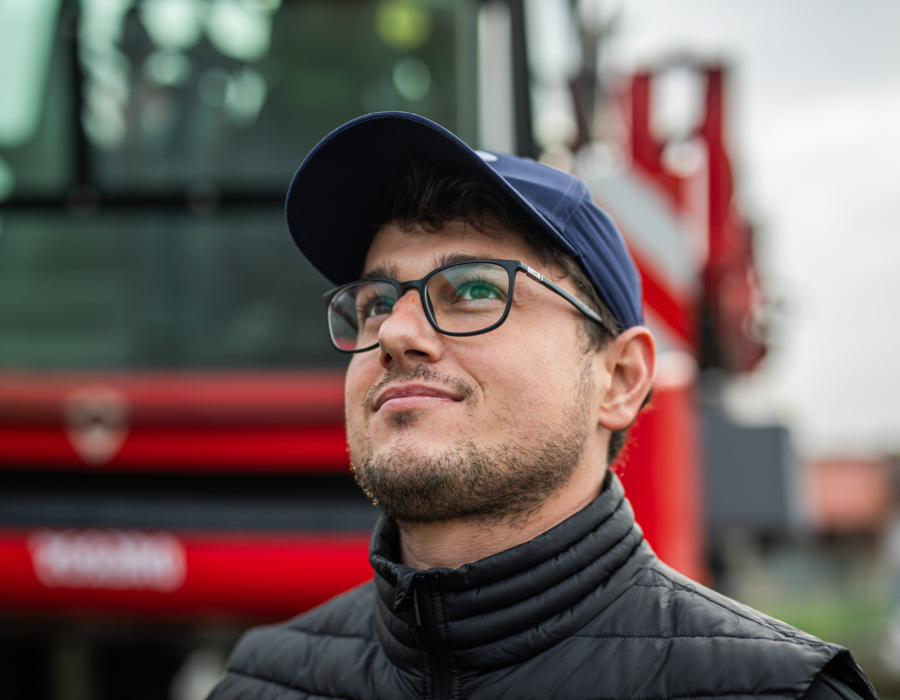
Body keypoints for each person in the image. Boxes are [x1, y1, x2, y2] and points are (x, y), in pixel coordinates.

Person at [209, 112, 877, 700]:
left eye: (474, 289)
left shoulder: (776, 692)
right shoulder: (263, 683)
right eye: (374, 303)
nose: (395, 332)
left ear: (619, 379)